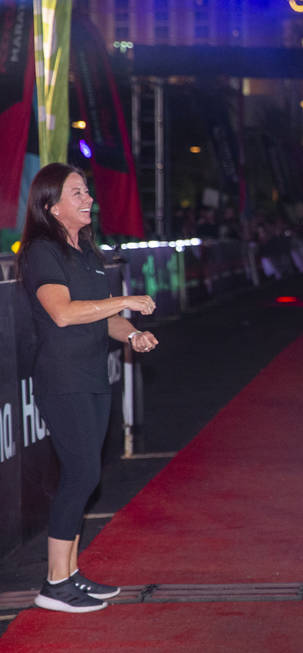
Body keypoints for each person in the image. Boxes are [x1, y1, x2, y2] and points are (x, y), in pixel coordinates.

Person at [17, 163, 159, 613]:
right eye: (76, 193)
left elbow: (103, 316)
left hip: (93, 375)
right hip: (64, 379)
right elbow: (62, 312)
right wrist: (124, 300)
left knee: (87, 475)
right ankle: (54, 584)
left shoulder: (84, 252)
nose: (88, 199)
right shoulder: (43, 251)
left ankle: (71, 573)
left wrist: (130, 332)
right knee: (80, 475)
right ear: (51, 206)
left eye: (86, 191)